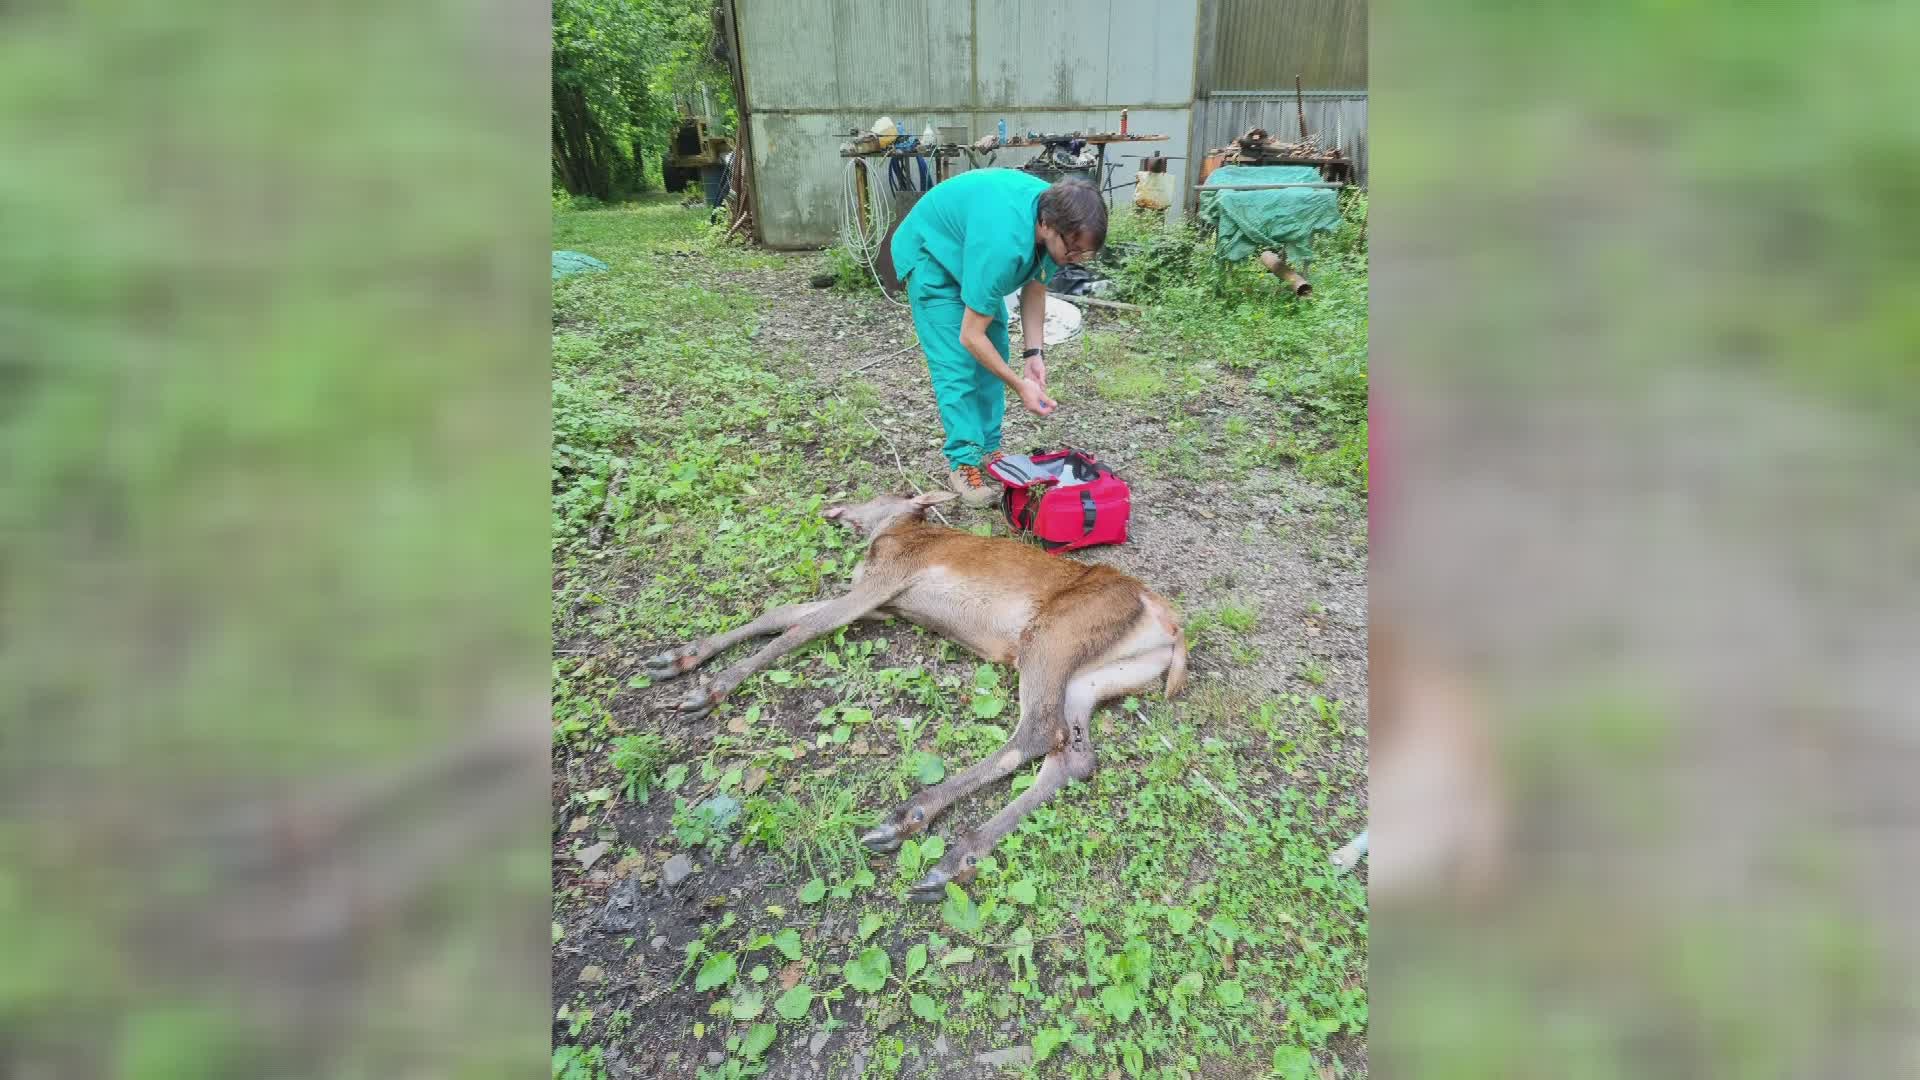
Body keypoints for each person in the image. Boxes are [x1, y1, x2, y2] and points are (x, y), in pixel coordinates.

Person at [888, 172, 1107, 507]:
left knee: (997, 352)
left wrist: (1034, 354)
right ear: (1047, 225)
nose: (1075, 259)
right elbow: (970, 336)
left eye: (1084, 254)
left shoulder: (1058, 219)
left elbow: (1036, 286)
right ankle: (963, 461)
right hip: (931, 255)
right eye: (1074, 250)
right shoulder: (1004, 244)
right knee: (958, 365)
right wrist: (1020, 385)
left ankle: (990, 449)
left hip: (970, 252)